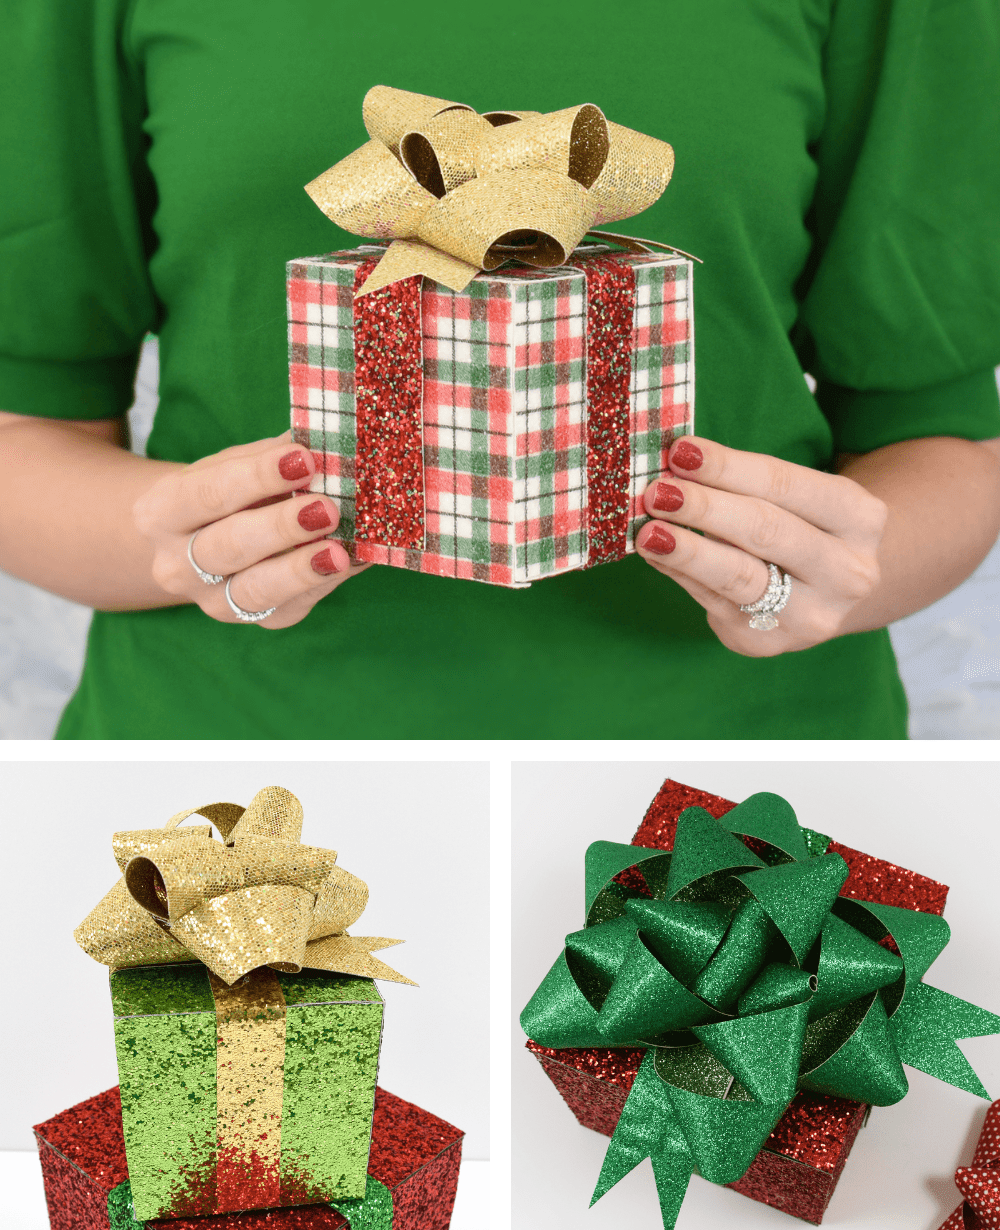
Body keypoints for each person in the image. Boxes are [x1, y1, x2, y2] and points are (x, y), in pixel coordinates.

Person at [1, 0, 998, 739]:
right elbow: (28, 424)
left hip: (737, 798)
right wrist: (177, 542)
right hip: (238, 770)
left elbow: (942, 435)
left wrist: (829, 576)